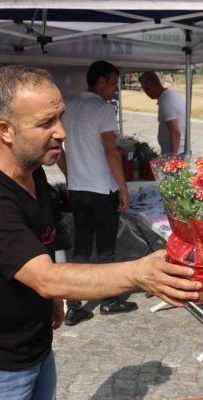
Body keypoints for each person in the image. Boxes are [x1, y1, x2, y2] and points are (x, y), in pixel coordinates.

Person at [0, 64, 201, 400]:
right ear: (4, 130)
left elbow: (40, 247)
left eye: (61, 117)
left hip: (33, 345)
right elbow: (46, 277)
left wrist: (53, 300)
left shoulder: (31, 170)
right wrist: (139, 272)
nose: (62, 132)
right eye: (46, 123)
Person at [56, 60, 137, 326]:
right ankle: (109, 300)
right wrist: (123, 187)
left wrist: (71, 175)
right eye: (113, 83)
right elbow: (111, 151)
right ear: (100, 82)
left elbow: (57, 150)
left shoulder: (68, 107)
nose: (115, 89)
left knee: (81, 247)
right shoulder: (103, 108)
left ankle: (74, 305)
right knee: (105, 248)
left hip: (78, 189)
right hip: (102, 188)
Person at [138, 71, 186, 155]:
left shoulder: (166, 100)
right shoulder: (171, 95)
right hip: (178, 150)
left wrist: (173, 157)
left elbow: (175, 132)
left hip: (175, 152)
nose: (146, 92)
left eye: (145, 89)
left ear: (149, 86)